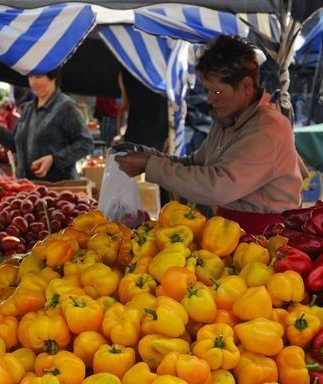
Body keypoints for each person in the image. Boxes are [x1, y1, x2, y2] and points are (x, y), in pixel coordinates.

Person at [115, 35, 305, 234]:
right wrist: (147, 155)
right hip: (228, 232)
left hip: (265, 236)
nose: (210, 99)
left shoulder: (267, 129)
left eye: (218, 92)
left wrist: (149, 165)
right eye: (207, 90)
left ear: (247, 86)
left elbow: (218, 186)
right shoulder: (227, 121)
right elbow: (196, 165)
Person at [0, 67, 93, 181]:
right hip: (28, 189)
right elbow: (15, 143)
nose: (33, 82)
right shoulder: (28, 108)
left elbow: (85, 143)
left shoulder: (66, 107)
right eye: (30, 77)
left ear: (53, 77)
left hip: (58, 191)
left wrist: (54, 159)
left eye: (38, 77)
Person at [113, 69, 169, 150]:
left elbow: (124, 106)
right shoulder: (126, 73)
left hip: (157, 138)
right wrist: (120, 132)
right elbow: (124, 106)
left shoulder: (162, 70)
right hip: (138, 137)